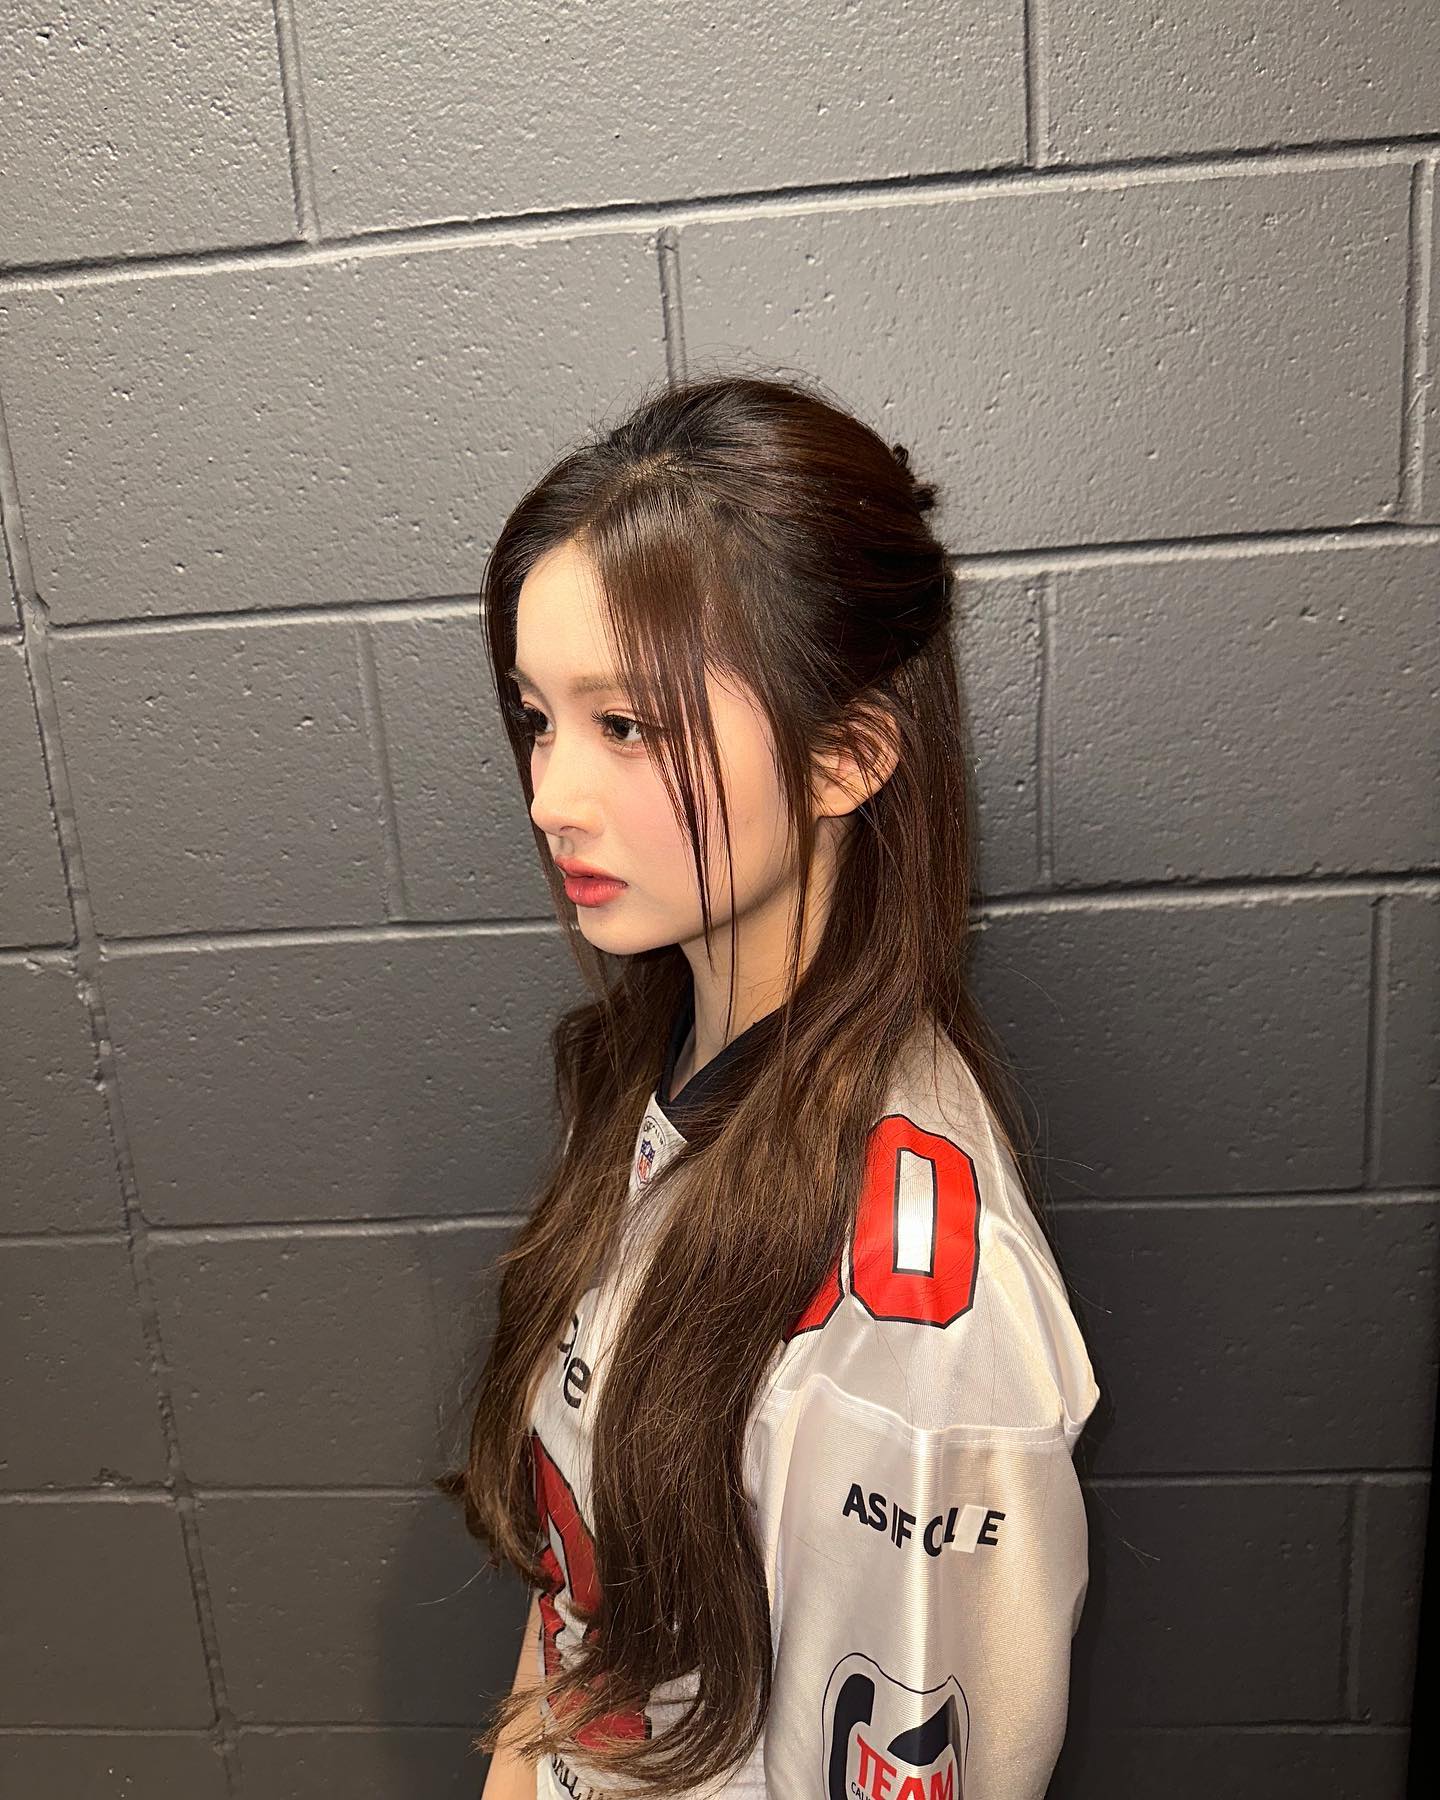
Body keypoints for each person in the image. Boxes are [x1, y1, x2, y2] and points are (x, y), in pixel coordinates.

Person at [439, 370, 1101, 1800]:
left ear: (844, 755)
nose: (550, 797)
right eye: (538, 718)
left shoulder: (919, 1309)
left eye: (628, 726)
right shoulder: (656, 1055)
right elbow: (576, 1603)